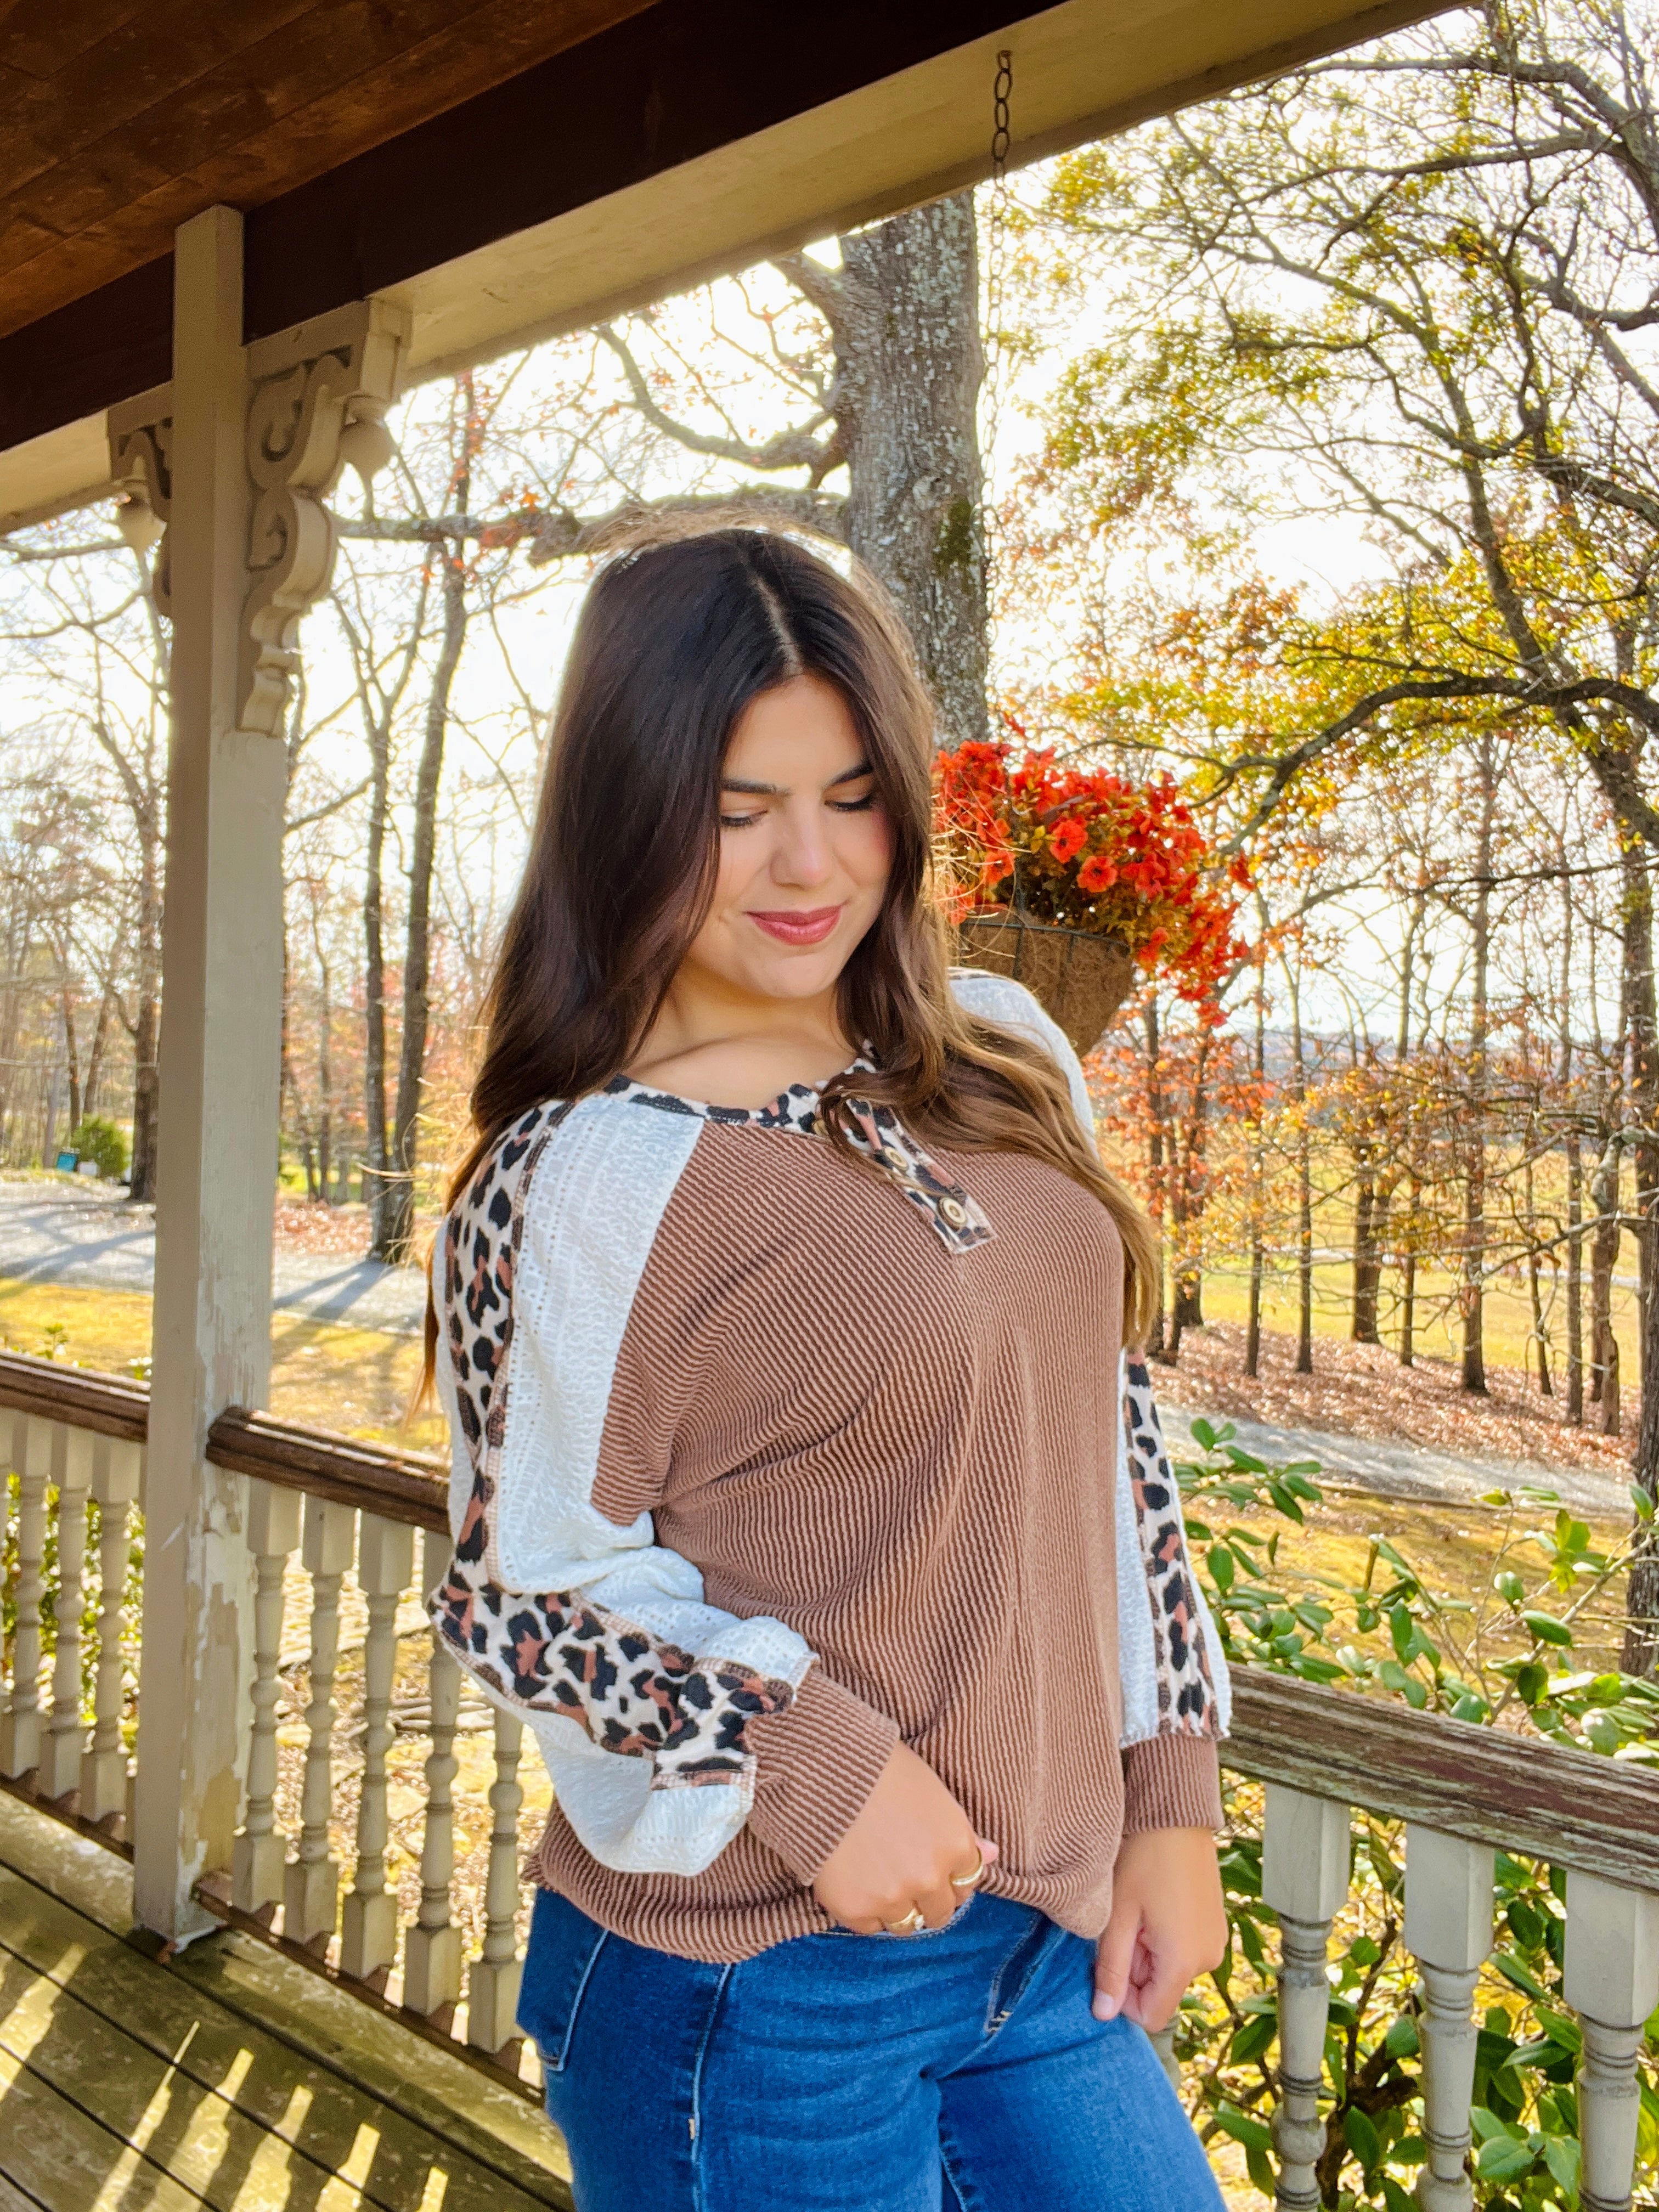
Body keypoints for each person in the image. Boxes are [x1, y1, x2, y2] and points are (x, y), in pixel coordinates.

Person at [422, 527, 1231, 2211]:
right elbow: (514, 1598)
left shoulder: (1007, 1050)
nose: (808, 862)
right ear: (629, 810)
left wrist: (1171, 1790)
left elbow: (1113, 1450)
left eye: (853, 796)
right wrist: (807, 1757)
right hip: (749, 1989)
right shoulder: (576, 1177)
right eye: (737, 810)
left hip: (1044, 1945)